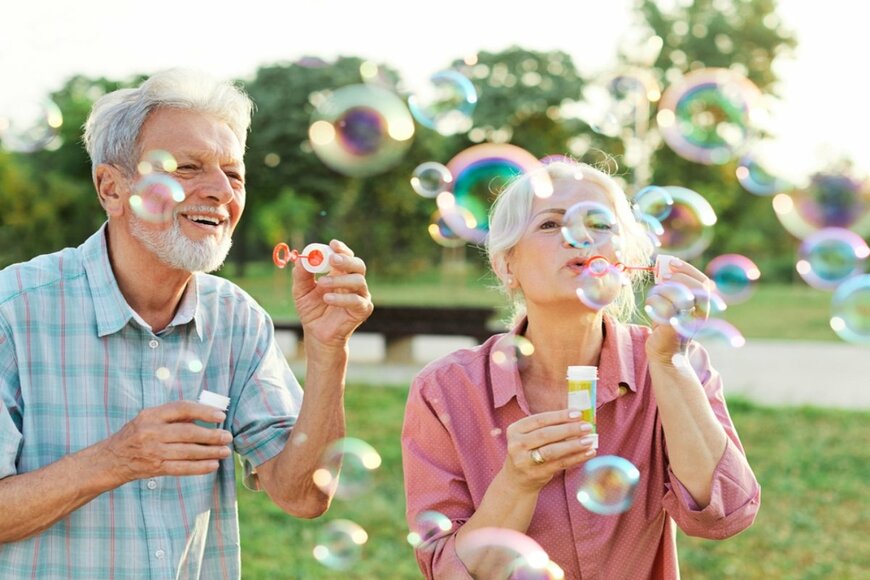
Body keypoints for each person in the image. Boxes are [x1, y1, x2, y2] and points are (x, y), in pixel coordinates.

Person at [0, 68, 373, 578]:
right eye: (187, 167)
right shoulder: (13, 309)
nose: (220, 190)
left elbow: (304, 495)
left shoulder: (237, 318)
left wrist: (330, 348)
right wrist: (117, 459)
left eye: (234, 173)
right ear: (111, 188)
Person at [401, 160, 760, 579]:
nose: (581, 237)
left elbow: (725, 515)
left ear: (626, 262)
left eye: (600, 225)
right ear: (506, 266)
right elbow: (446, 571)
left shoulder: (670, 360)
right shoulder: (445, 391)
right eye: (551, 225)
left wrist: (669, 362)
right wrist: (517, 482)